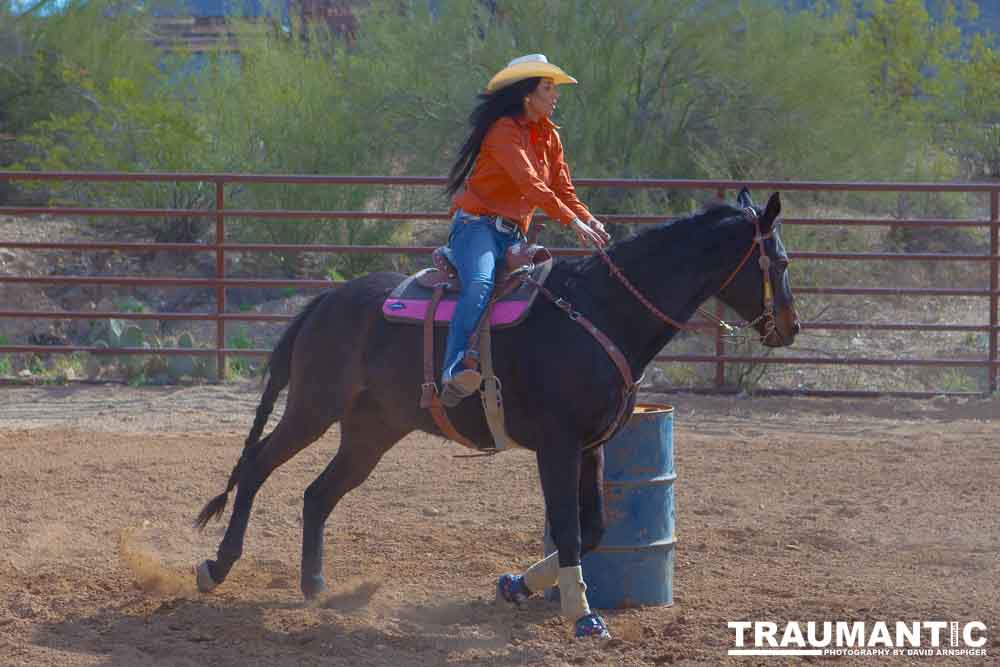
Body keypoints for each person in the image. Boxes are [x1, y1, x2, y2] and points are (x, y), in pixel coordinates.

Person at [439, 53, 610, 406]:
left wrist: (588, 217)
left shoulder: (550, 137)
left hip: (513, 235)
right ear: (527, 95)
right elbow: (530, 184)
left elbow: (563, 190)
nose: (555, 95)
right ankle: (453, 367)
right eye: (548, 87)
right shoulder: (503, 131)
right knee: (481, 282)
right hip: (476, 228)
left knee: (547, 292)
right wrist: (572, 221)